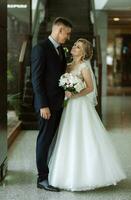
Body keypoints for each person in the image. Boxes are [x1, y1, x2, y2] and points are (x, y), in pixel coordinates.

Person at [48, 38, 126, 191]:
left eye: (78, 47)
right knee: (69, 136)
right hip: (69, 107)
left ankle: (90, 174)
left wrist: (74, 95)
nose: (74, 47)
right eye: (75, 45)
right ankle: (67, 174)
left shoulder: (83, 66)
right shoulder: (68, 65)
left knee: (84, 135)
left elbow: (90, 88)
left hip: (80, 105)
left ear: (83, 53)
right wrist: (66, 91)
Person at [31, 17, 72, 192]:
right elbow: (36, 80)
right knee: (44, 140)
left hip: (58, 103)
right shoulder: (40, 48)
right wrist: (43, 105)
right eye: (67, 34)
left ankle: (51, 173)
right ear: (59, 30)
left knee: (53, 141)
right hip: (46, 105)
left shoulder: (60, 49)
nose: (68, 37)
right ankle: (42, 178)